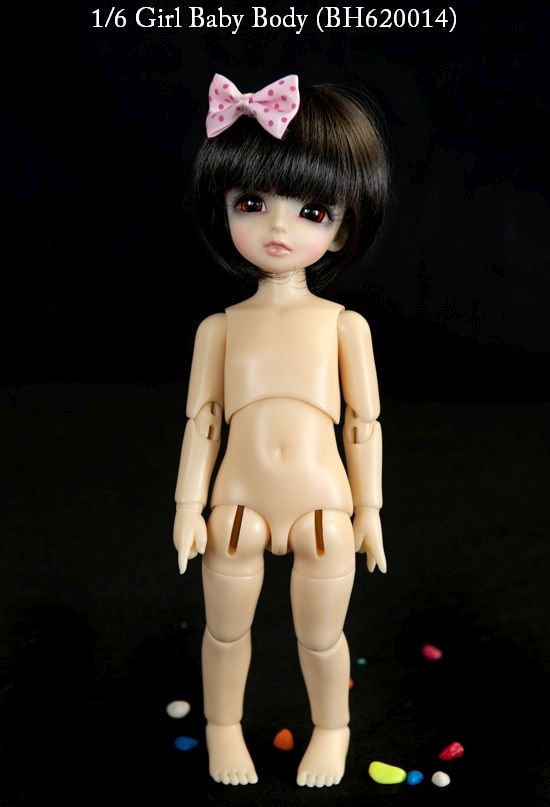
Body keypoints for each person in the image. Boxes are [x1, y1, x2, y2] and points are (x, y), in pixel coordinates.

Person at [173, 73, 389, 787]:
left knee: (321, 637)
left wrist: (369, 511)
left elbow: (363, 424)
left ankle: (332, 729)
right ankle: (222, 728)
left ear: (341, 226)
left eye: (313, 211)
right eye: (252, 203)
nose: (278, 229)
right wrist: (186, 505)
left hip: (323, 506)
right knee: (224, 629)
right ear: (225, 207)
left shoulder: (344, 326)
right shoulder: (220, 328)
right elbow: (203, 422)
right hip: (235, 503)